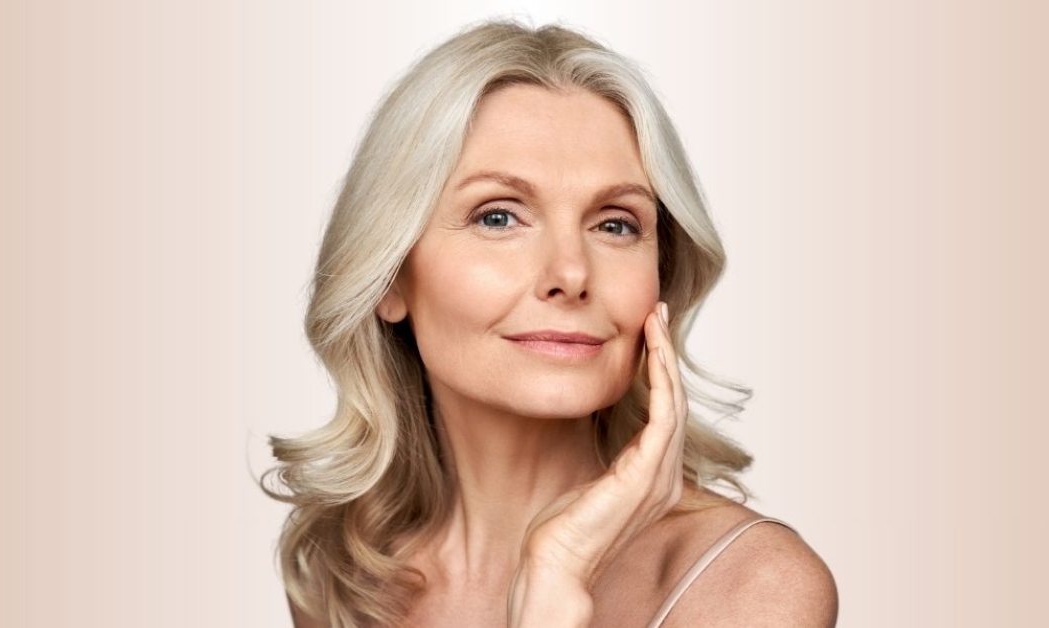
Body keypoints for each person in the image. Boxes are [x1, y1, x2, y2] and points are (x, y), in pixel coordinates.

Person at [263, 20, 838, 628]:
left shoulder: (751, 586)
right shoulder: (343, 570)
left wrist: (558, 572)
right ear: (390, 277)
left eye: (615, 224)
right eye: (499, 217)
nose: (570, 272)